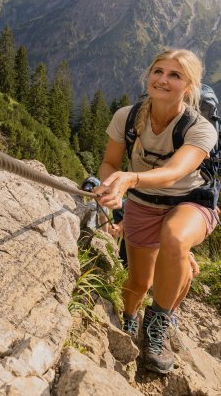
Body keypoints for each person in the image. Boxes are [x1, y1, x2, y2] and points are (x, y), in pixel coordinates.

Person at [94, 49, 218, 374]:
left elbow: (177, 171)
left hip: (190, 201)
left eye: (175, 75)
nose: (163, 79)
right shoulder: (127, 117)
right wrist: (110, 188)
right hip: (143, 203)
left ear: (189, 87)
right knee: (138, 282)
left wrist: (131, 178)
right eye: (158, 71)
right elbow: (109, 163)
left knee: (176, 238)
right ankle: (129, 320)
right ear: (148, 76)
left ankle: (157, 326)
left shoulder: (201, 129)